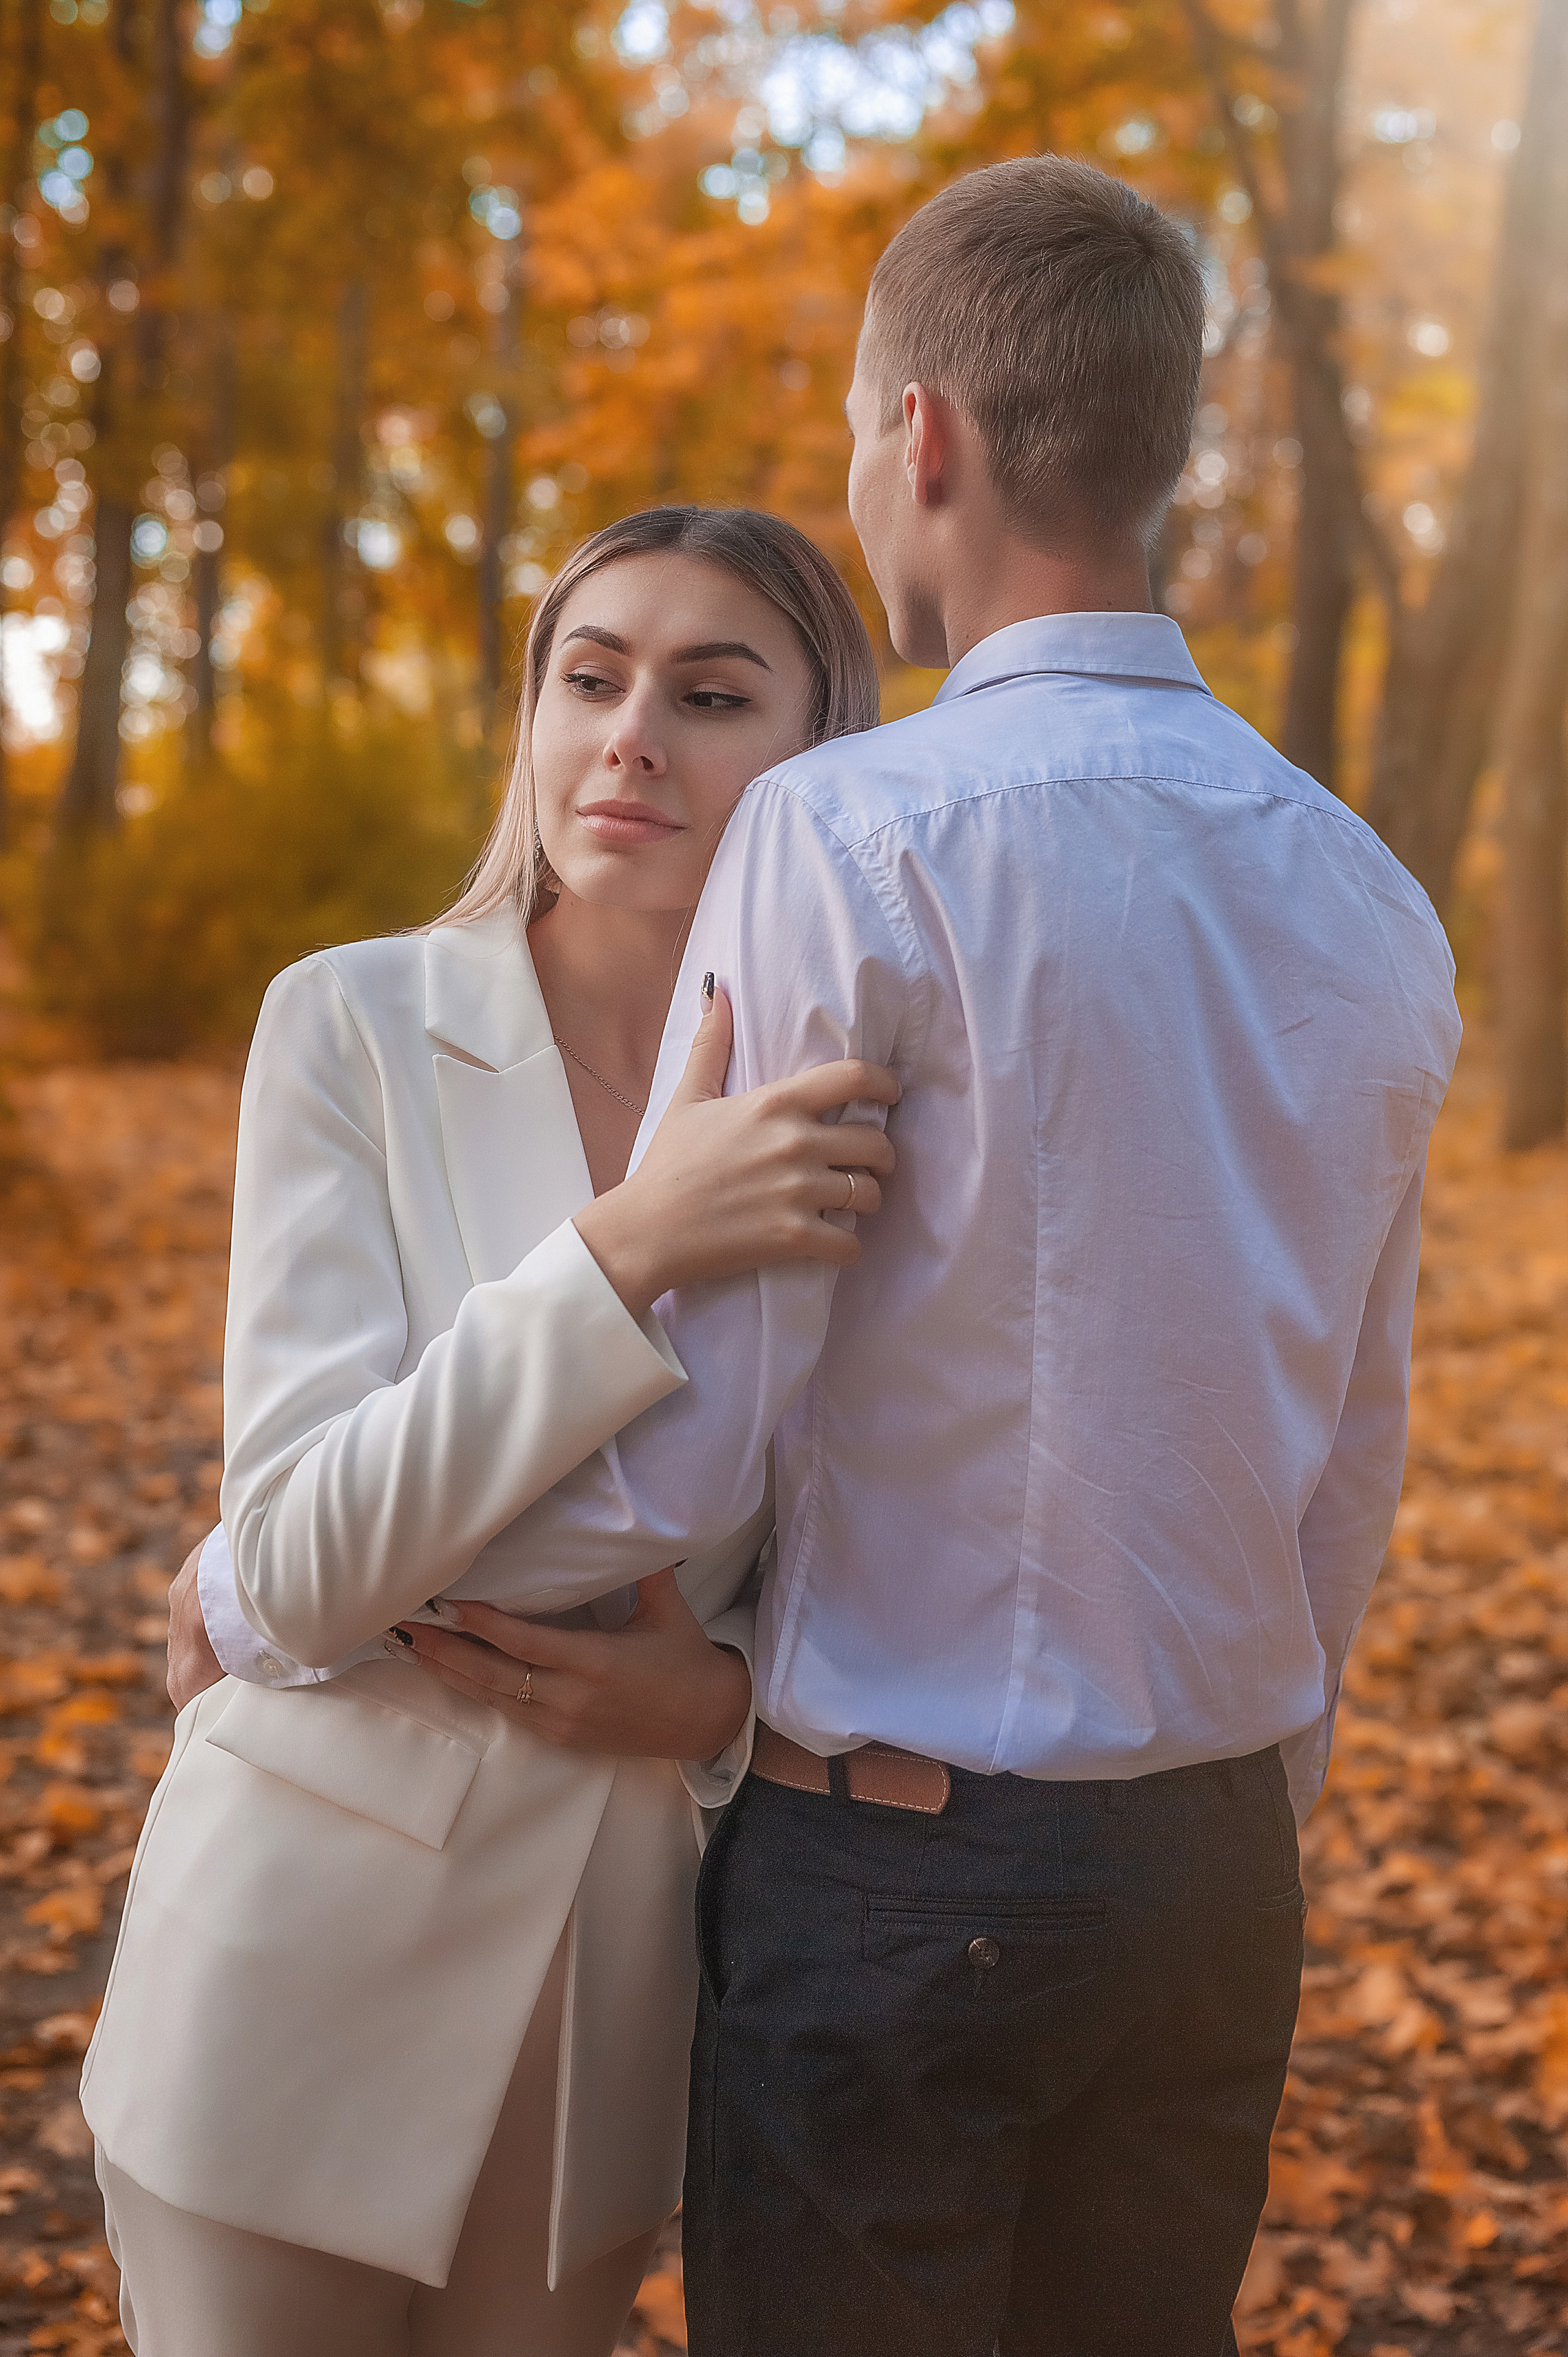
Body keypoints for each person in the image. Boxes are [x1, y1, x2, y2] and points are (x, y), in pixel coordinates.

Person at [374, 157, 1463, 2354]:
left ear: (927, 436)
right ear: (1167, 449)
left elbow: (720, 1392)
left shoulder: (846, 832)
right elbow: (1357, 1432)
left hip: (900, 1869)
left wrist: (479, 1569)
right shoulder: (1367, 891)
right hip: (1220, 1875)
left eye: (870, 431)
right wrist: (1258, 1791)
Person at [80, 505, 896, 2356]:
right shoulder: (353, 1023)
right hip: (296, 1973)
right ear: (529, 718)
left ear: (817, 762)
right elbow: (291, 1559)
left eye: (710, 693)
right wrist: (623, 1253)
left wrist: (721, 1708)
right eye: (590, 678)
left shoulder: (851, 1109)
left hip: (604, 2015)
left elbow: (883, 1550)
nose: (632, 735)